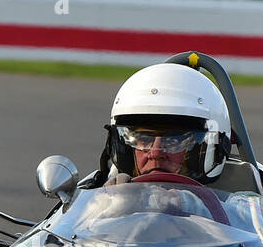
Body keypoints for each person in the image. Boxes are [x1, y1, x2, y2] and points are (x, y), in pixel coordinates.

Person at [98, 63, 231, 186]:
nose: (155, 153)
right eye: (143, 140)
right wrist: (108, 206)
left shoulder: (239, 206)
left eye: (173, 141)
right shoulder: (102, 200)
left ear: (206, 151)